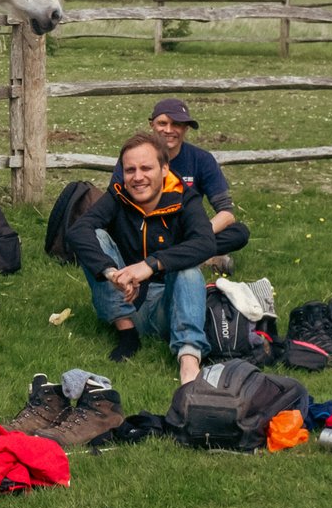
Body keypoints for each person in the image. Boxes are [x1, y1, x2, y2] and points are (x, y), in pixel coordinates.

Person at [70, 131, 212, 382]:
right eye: (130, 170)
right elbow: (79, 230)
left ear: (165, 169)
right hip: (125, 299)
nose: (137, 177)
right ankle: (127, 333)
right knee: (98, 237)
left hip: (168, 306)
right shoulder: (118, 196)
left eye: (146, 168)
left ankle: (189, 360)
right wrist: (111, 272)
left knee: (188, 269)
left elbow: (204, 243)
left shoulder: (185, 199)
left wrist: (150, 265)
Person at [109, 97, 248, 272]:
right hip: (143, 230)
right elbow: (115, 201)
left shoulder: (202, 159)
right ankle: (196, 259)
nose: (169, 130)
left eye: (177, 124)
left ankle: (178, 255)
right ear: (152, 124)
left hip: (184, 231)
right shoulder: (134, 156)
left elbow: (227, 214)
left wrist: (198, 236)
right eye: (162, 123)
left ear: (186, 128)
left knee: (239, 233)